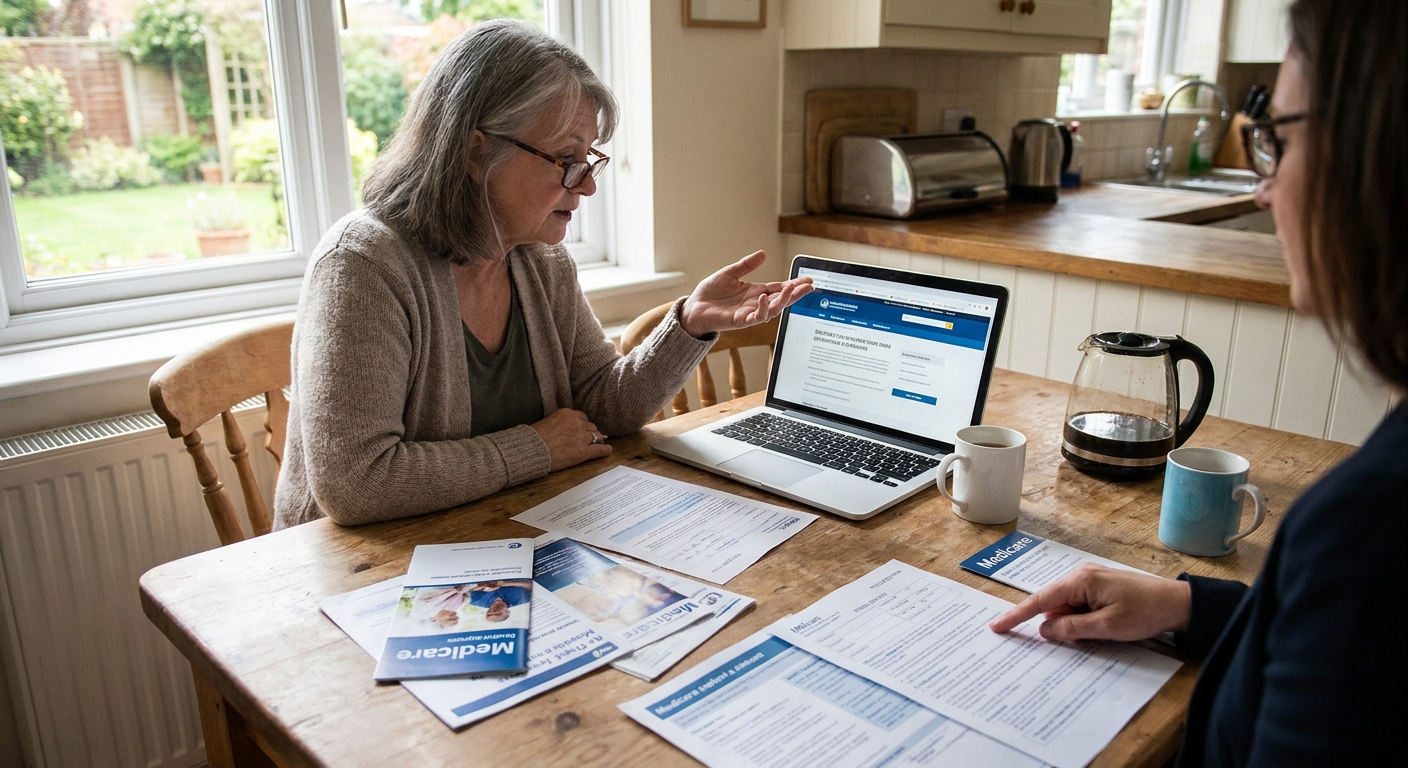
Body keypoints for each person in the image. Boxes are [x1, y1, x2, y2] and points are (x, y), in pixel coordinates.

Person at [989, 1, 1406, 764]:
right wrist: (1185, 605)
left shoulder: (1370, 528)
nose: (1261, 191)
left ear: (1375, 152)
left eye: (1275, 142)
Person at [273, 20, 810, 530]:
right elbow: (355, 484)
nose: (587, 186)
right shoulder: (364, 265)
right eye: (565, 159)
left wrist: (689, 324)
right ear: (474, 149)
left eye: (589, 160)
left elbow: (605, 407)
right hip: (353, 578)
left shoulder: (540, 260)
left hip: (498, 536)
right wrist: (537, 448)